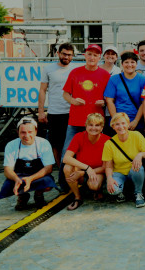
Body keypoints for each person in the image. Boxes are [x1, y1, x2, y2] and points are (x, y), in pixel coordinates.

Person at [61, 44, 110, 189]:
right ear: (85, 55)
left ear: (99, 58)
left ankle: (99, 182)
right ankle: (65, 184)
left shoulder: (105, 75)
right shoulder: (75, 72)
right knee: (67, 152)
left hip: (96, 123)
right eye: (89, 54)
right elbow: (65, 94)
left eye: (95, 55)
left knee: (101, 153)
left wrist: (105, 102)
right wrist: (73, 101)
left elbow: (110, 97)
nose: (92, 57)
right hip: (76, 120)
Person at [0, 117, 56, 210]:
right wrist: (16, 179)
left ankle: (39, 194)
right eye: (23, 132)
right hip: (20, 176)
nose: (26, 135)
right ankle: (22, 196)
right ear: (18, 132)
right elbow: (7, 170)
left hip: (37, 175)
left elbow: (48, 168)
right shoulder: (11, 145)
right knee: (8, 185)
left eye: (30, 132)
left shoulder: (44, 143)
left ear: (36, 131)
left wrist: (31, 179)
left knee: (48, 183)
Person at [38, 42, 76, 169]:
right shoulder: (48, 69)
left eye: (69, 55)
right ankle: (61, 171)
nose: (66, 57)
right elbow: (42, 90)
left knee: (72, 145)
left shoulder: (76, 70)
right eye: (64, 54)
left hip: (73, 112)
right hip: (55, 112)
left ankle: (71, 171)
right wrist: (41, 111)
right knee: (56, 144)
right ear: (58, 53)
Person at [102, 113, 145, 208]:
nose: (121, 126)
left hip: (134, 170)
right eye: (117, 124)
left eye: (123, 123)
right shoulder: (109, 144)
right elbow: (108, 166)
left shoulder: (136, 135)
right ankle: (121, 192)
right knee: (113, 190)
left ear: (128, 124)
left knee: (138, 168)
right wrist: (109, 178)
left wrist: (140, 155)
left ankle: (138, 193)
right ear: (113, 127)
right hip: (118, 172)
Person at [62, 113, 110, 210]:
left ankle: (97, 190)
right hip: (84, 168)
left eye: (97, 125)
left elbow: (105, 167)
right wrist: (87, 169)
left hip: (98, 171)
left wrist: (82, 173)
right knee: (67, 168)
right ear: (86, 126)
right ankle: (77, 197)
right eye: (90, 125)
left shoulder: (107, 140)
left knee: (94, 185)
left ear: (102, 127)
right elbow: (66, 158)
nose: (93, 128)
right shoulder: (79, 136)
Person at [104, 52, 145, 137]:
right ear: (122, 64)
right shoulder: (114, 79)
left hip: (136, 121)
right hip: (117, 121)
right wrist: (116, 120)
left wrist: (136, 121)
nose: (129, 65)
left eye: (132, 62)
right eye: (126, 62)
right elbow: (109, 100)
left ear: (136, 64)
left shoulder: (143, 80)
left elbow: (144, 102)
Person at [100, 45, 122, 135]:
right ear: (103, 56)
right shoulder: (97, 69)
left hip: (112, 107)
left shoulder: (119, 71)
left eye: (113, 54)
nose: (110, 56)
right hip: (98, 105)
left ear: (116, 57)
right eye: (107, 53)